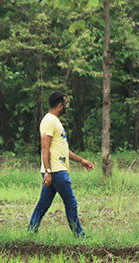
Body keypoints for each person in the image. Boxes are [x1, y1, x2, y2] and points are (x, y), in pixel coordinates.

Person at [28, 92, 94, 236]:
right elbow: (44, 148)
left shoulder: (55, 121)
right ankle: (79, 236)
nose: (67, 106)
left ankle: (31, 233)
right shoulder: (49, 121)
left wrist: (81, 160)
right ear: (59, 105)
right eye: (65, 103)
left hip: (55, 170)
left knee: (43, 204)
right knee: (71, 202)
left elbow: (63, 150)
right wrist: (48, 171)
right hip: (56, 171)